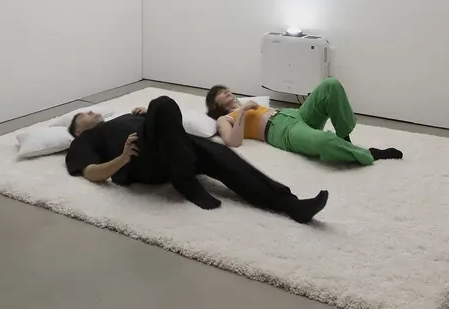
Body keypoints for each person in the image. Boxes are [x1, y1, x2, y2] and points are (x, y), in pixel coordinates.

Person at [66, 95, 329, 223]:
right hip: (142, 158)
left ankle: (291, 205)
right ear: (78, 130)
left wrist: (150, 116)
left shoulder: (122, 117)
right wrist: (122, 159)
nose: (90, 111)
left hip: (176, 146)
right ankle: (186, 182)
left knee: (225, 158)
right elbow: (90, 172)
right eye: (84, 114)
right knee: (163, 103)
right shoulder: (84, 140)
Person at [205, 77, 402, 165]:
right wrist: (242, 110)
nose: (226, 91)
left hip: (295, 114)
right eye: (220, 93)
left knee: (330, 84)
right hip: (281, 132)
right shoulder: (224, 118)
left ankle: (344, 139)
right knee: (324, 140)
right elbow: (233, 142)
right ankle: (368, 154)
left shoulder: (248, 102)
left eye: (225, 89)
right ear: (215, 104)